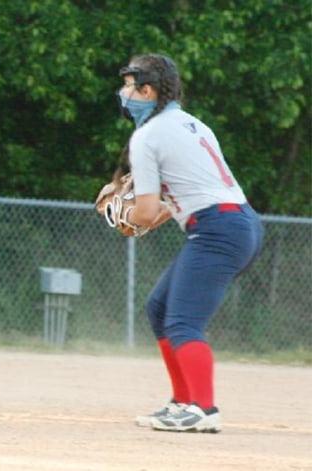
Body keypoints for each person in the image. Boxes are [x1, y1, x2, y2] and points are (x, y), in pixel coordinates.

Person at [113, 54, 264, 432]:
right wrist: (146, 211)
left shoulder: (147, 135)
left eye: (130, 84)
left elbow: (146, 213)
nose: (124, 91)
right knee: (160, 308)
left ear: (147, 90)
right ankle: (183, 400)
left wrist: (122, 215)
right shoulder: (191, 124)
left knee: (183, 321)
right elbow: (178, 201)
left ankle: (204, 410)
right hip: (235, 221)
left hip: (218, 228)